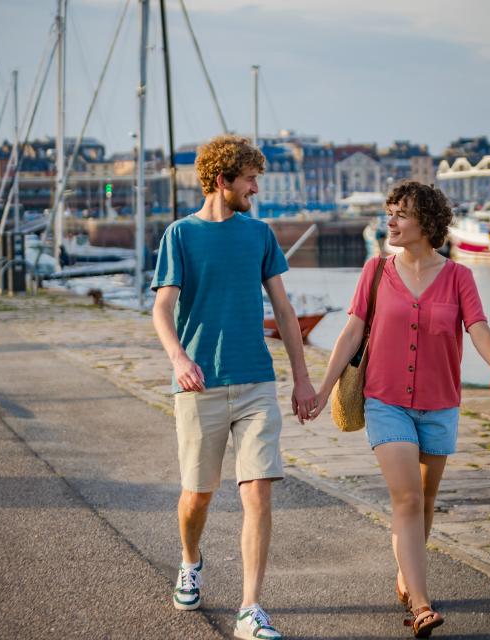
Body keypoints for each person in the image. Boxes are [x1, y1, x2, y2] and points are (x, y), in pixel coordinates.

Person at [310, 181, 490, 638]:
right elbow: (350, 332)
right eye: (390, 213)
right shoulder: (376, 271)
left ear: (427, 222)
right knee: (405, 498)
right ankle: (421, 605)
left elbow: (478, 326)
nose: (391, 221)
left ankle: (407, 572)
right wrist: (323, 390)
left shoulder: (459, 276)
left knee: (424, 501)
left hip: (441, 404)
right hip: (386, 402)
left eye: (401, 214)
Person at [151, 135, 316, 640]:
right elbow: (161, 307)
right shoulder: (180, 235)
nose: (256, 188)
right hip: (200, 386)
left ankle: (250, 608)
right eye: (250, 179)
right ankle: (190, 561)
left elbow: (285, 312)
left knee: (259, 492)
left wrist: (302, 379)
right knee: (197, 497)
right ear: (223, 181)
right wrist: (178, 357)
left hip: (255, 383)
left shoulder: (259, 234)